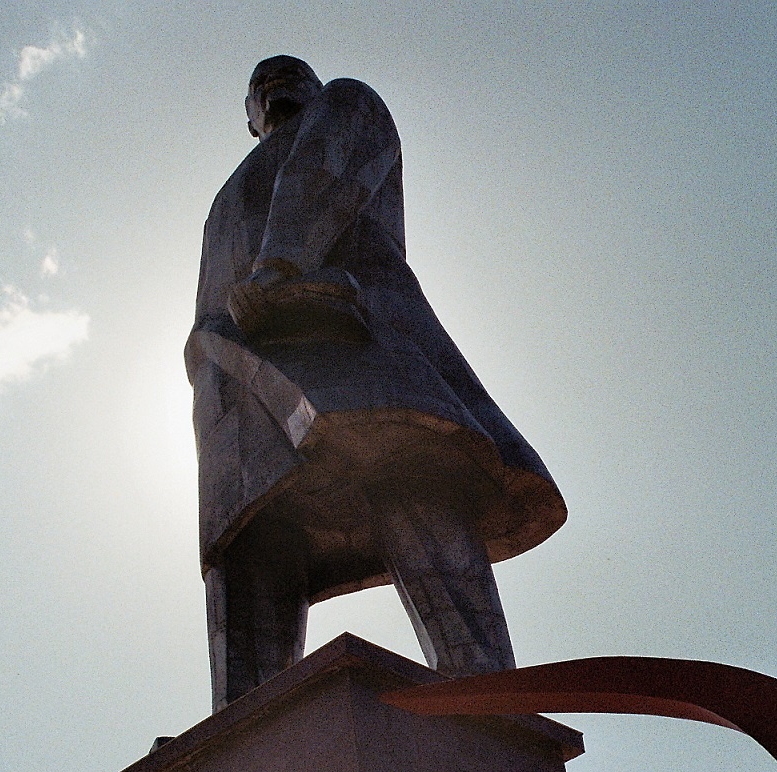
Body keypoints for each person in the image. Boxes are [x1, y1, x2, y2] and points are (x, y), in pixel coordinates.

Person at [186, 56, 566, 709]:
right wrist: (209, 374)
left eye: (289, 71)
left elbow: (327, 172)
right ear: (247, 115)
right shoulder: (223, 198)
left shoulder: (346, 103)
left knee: (407, 469)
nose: (276, 80)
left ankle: (481, 679)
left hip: (342, 326)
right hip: (232, 370)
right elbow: (209, 296)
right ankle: (241, 720)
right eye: (260, 81)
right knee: (250, 535)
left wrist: (280, 267)